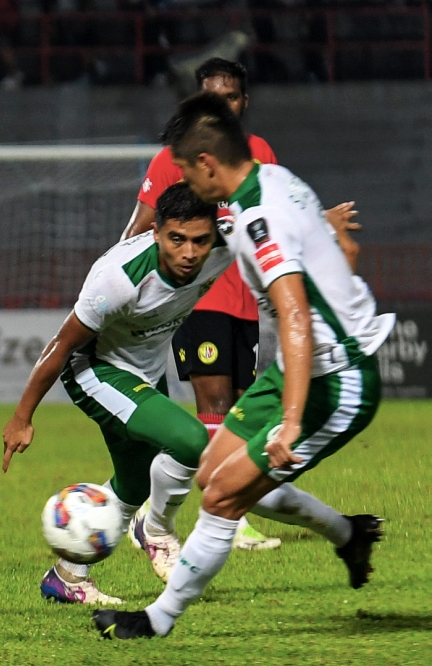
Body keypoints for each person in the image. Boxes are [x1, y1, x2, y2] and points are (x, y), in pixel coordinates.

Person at [93, 93, 393, 640]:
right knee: (214, 472)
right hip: (297, 372)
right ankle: (348, 534)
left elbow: (295, 314)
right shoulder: (275, 180)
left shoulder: (260, 216)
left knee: (224, 494)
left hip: (337, 377)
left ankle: (157, 619)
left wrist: (293, 421)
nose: (179, 180)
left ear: (205, 163)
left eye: (182, 168)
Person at [122, 57, 360, 554]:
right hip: (200, 297)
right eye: (213, 97)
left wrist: (318, 219)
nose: (223, 105)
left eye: (230, 97)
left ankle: (208, 507)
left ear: (243, 103)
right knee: (214, 405)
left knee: (243, 410)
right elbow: (140, 229)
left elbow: (274, 214)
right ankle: (226, 515)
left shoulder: (260, 153)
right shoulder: (175, 158)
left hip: (253, 298)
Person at [2, 183, 234, 604]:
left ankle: (67, 577)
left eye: (200, 241)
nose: (189, 253)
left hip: (145, 369)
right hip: (95, 370)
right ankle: (157, 530)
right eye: (176, 239)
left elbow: (281, 234)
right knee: (191, 439)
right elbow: (61, 344)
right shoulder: (119, 277)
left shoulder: (228, 244)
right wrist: (22, 416)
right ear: (157, 231)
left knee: (134, 482)